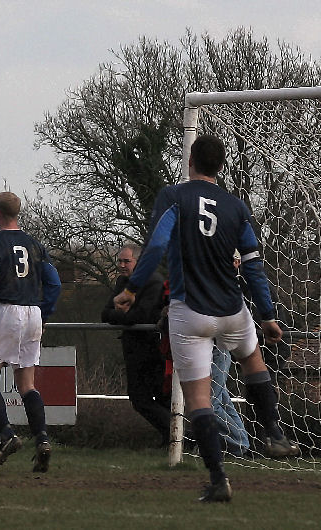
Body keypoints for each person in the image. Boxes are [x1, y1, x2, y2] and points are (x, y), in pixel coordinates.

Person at [114, 134, 299, 503]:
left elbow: (156, 247)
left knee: (199, 399)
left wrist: (132, 288)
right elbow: (253, 265)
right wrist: (268, 315)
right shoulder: (236, 207)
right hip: (233, 309)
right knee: (253, 360)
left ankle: (218, 480)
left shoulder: (174, 197)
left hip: (191, 311)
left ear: (191, 162)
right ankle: (274, 432)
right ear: (221, 165)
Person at [0, 192, 61, 472]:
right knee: (27, 384)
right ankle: (42, 439)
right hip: (33, 311)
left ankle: (6, 434)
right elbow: (54, 283)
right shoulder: (35, 245)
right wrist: (43, 314)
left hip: (5, 310)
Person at [101, 243, 170, 447]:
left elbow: (141, 316)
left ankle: (179, 437)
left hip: (154, 350)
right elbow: (105, 313)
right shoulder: (123, 282)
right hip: (133, 350)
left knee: (159, 397)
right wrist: (122, 315)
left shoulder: (153, 281)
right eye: (120, 261)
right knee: (139, 399)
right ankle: (173, 436)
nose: (122, 265)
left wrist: (120, 314)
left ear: (139, 262)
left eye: (126, 261)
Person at [211, 345, 250, 457]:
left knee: (210, 405)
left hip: (216, 352)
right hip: (206, 354)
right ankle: (241, 445)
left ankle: (239, 443)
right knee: (223, 402)